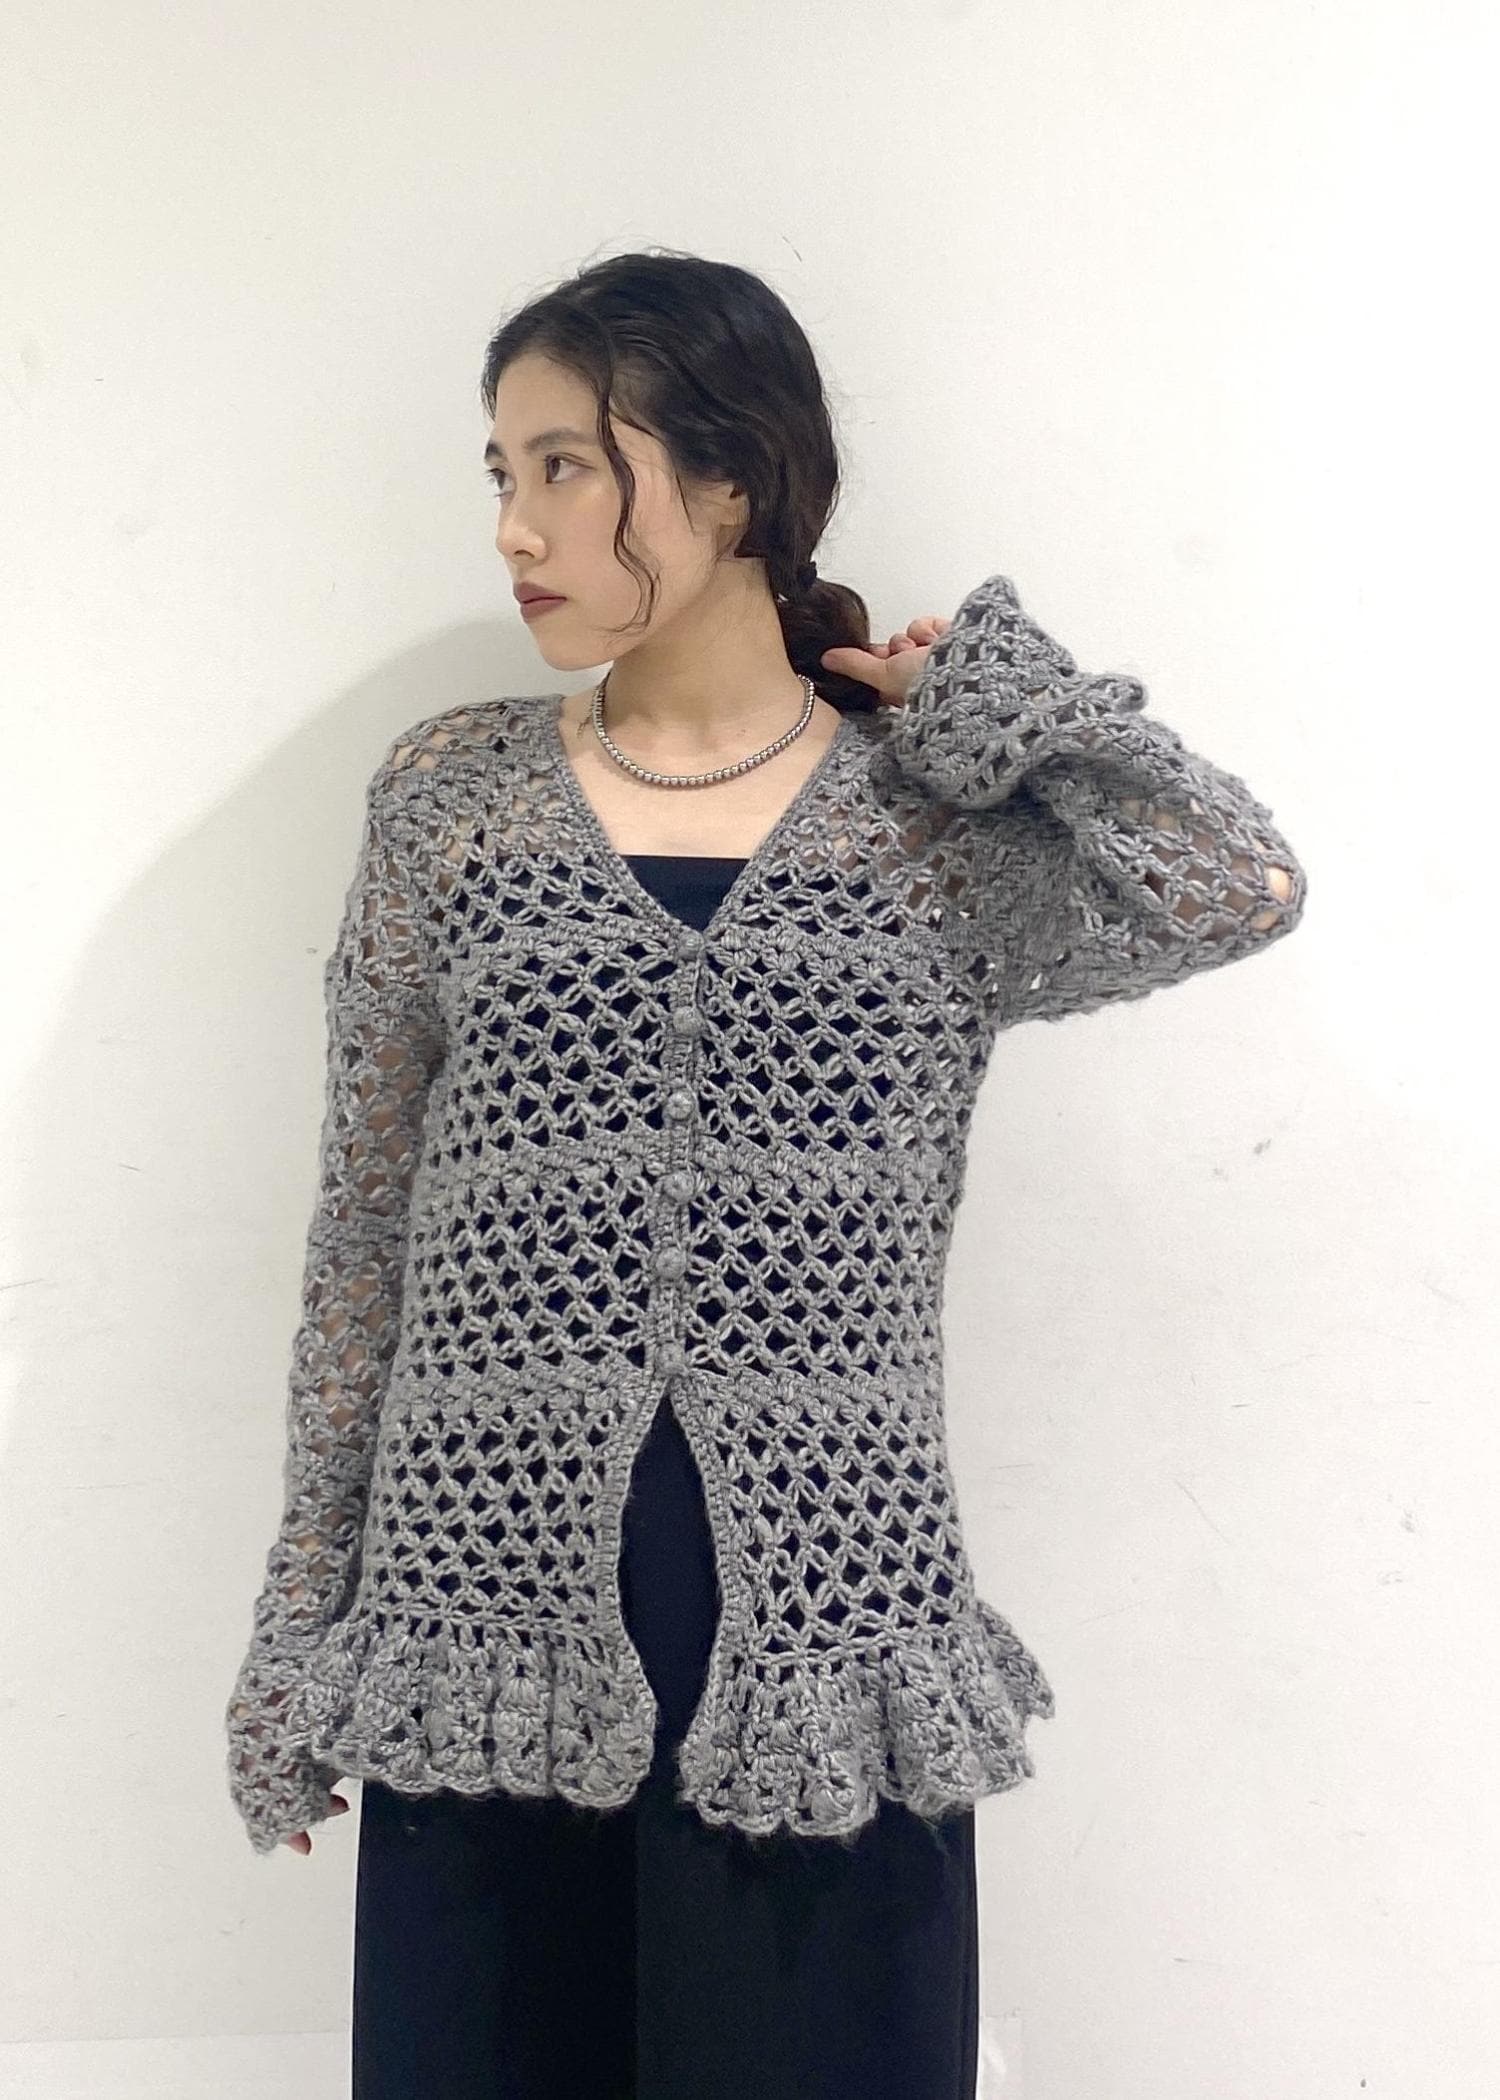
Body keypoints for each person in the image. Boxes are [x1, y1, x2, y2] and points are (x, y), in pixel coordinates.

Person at [224, 248, 1306, 2100]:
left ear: (732, 482)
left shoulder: (924, 825)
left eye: (566, 466)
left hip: (824, 1616)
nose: (515, 528)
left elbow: (1239, 885)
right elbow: (365, 1238)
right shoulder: (450, 799)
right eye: (502, 474)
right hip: (480, 1606)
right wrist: (297, 1626)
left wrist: (1004, 709)